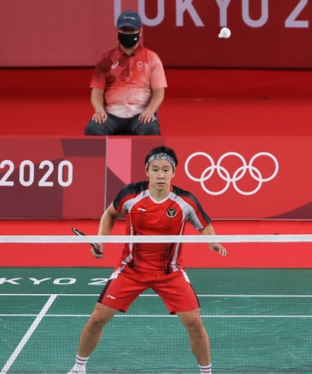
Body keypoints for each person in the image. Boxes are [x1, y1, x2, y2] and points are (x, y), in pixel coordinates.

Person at [67, 146, 227, 374]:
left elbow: (205, 226)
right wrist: (101, 239)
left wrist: (212, 241)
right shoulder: (130, 194)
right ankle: (78, 368)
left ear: (174, 172)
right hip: (131, 270)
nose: (160, 174)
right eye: (155, 169)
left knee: (194, 323)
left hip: (169, 272)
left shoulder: (185, 201)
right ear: (147, 171)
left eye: (165, 170)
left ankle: (206, 372)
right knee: (97, 318)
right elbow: (110, 213)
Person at [84, 10, 167, 136]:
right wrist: (99, 110)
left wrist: (150, 110)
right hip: (111, 115)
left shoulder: (151, 58)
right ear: (117, 30)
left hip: (140, 115)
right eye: (124, 30)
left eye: (131, 30)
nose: (128, 34)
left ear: (140, 30)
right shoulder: (105, 59)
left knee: (151, 129)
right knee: (92, 129)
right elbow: (97, 91)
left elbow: (159, 91)